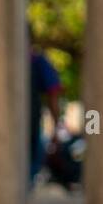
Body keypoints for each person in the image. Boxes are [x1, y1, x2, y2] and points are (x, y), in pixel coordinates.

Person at [28, 26, 62, 188]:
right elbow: (53, 96)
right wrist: (56, 128)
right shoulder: (37, 61)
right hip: (30, 125)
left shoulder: (36, 62)